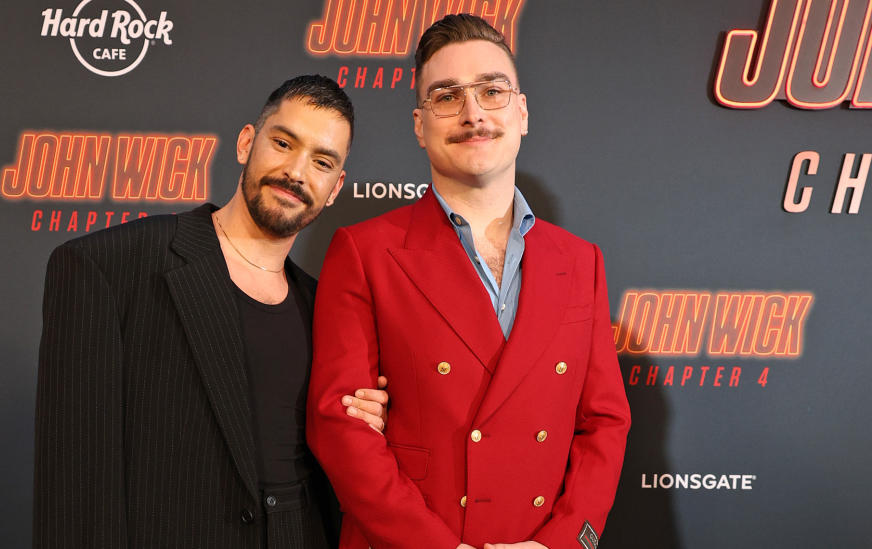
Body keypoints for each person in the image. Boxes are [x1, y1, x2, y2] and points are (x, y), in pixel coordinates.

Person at [307, 15, 631, 549]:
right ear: (419, 124)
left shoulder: (580, 262)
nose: (473, 113)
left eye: (492, 91)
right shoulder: (365, 252)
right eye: (446, 96)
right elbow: (340, 428)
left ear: (523, 112)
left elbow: (604, 423)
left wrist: (568, 543)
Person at [35, 75, 389, 549]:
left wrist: (364, 414)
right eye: (283, 143)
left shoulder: (325, 306)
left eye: (321, 162)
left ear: (335, 187)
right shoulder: (109, 268)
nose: (296, 171)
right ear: (247, 142)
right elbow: (75, 489)